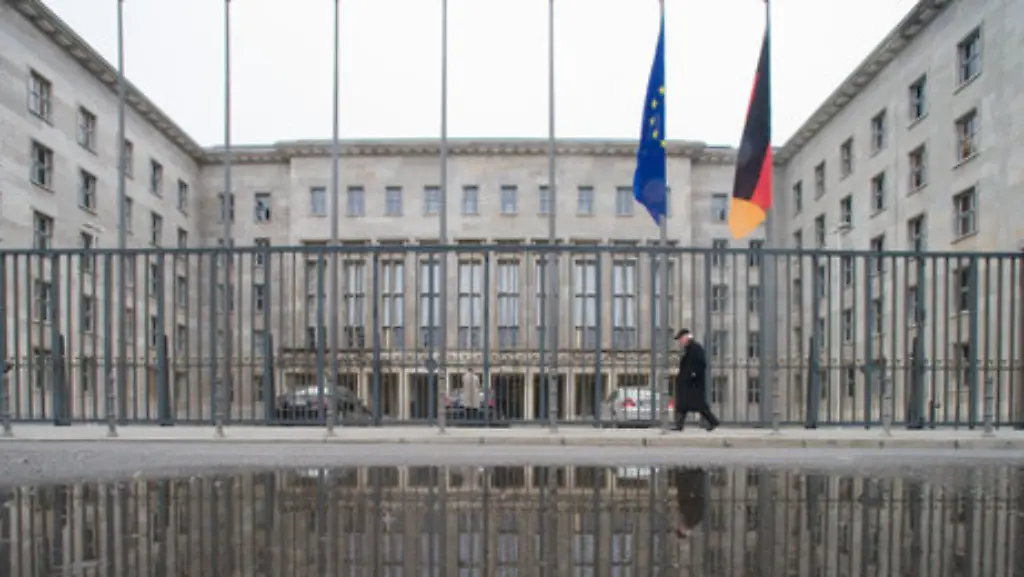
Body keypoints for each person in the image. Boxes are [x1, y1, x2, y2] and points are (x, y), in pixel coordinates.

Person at [672, 329, 720, 431]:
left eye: (681, 339)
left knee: (699, 405)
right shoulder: (689, 349)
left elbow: (701, 363)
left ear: (686, 337)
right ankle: (679, 425)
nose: (680, 341)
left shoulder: (695, 348)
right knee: (682, 405)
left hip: (693, 384)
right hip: (687, 383)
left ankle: (713, 421)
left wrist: (693, 374)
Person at [672, 466, 707, 538]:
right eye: (680, 528)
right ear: (684, 531)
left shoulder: (688, 519)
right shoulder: (691, 519)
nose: (679, 525)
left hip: (689, 488)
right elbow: (695, 504)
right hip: (691, 488)